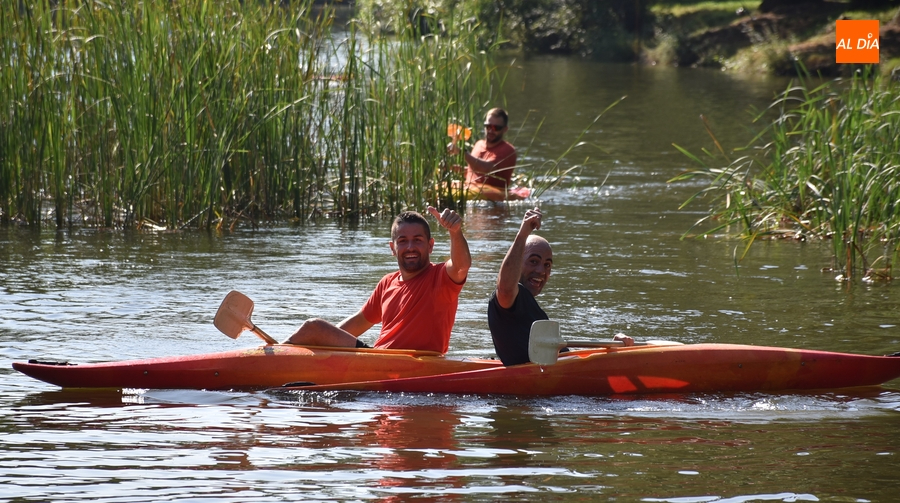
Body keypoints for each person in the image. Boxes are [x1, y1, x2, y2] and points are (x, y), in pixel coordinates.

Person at [283, 206, 471, 354]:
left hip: (410, 365)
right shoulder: (387, 282)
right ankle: (273, 356)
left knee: (313, 327)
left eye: (418, 240)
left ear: (430, 245)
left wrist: (455, 232)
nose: (411, 247)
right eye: (403, 241)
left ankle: (271, 355)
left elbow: (461, 265)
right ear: (393, 248)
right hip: (378, 359)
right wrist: (321, 341)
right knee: (313, 332)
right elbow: (357, 323)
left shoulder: (440, 278)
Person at [487, 207, 633, 366]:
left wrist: (610, 347)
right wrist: (523, 234)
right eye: (533, 261)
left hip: (555, 373)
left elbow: (559, 357)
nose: (541, 271)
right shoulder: (505, 300)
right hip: (537, 380)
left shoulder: (529, 306)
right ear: (517, 262)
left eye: (547, 265)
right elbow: (506, 288)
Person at [447, 108, 523, 200]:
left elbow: (488, 169)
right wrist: (452, 168)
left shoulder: (508, 150)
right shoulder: (478, 144)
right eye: (488, 126)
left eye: (496, 128)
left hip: (490, 194)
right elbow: (475, 171)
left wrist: (462, 153)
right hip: (471, 188)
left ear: (505, 129)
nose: (491, 130)